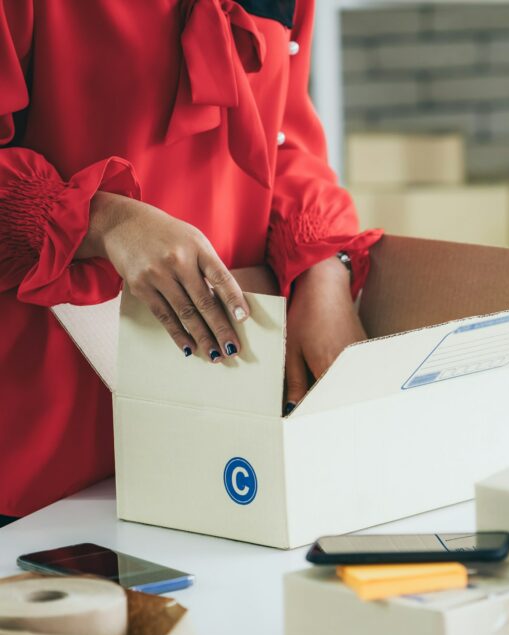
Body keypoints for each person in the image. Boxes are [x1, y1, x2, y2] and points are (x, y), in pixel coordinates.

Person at [0, 0, 381, 525]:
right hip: (43, 438)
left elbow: (285, 139)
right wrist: (103, 221)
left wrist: (324, 266)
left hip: (222, 424)